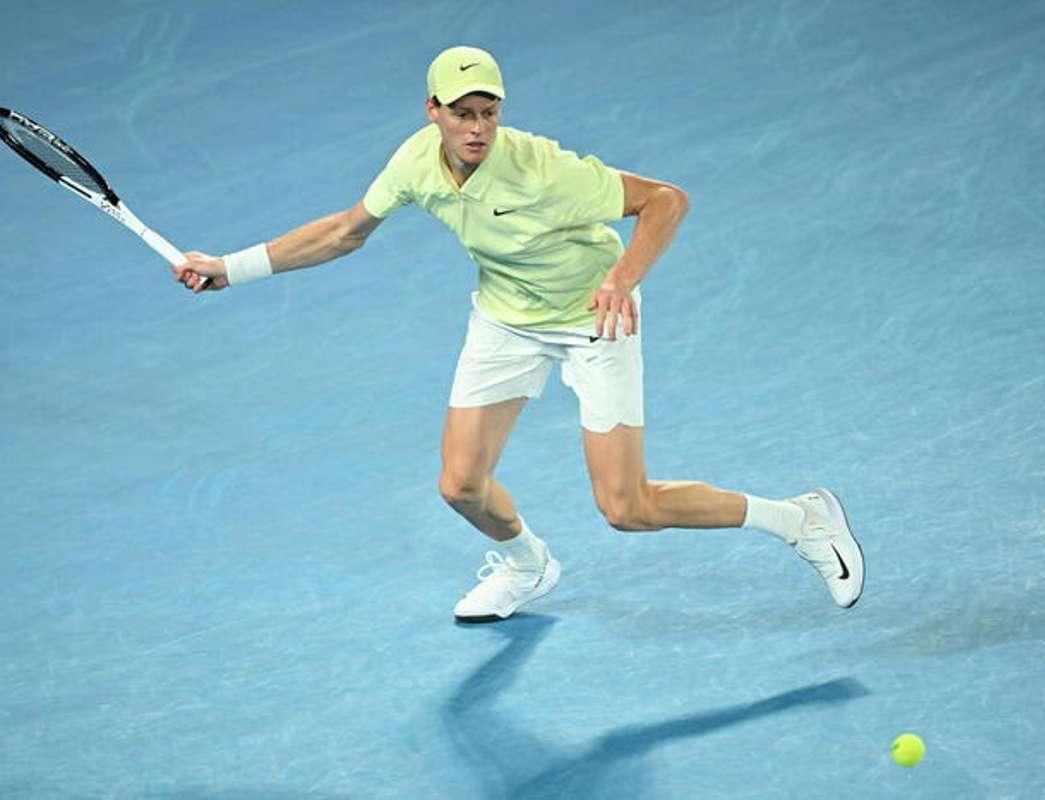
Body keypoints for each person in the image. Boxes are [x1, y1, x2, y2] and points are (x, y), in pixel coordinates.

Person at [172, 46, 865, 622]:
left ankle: (799, 519)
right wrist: (232, 269)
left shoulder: (543, 170)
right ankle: (527, 566)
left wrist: (621, 277)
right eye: (463, 114)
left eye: (489, 113)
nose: (477, 128)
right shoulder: (417, 160)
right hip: (505, 318)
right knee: (461, 485)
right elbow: (346, 231)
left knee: (628, 508)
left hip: (594, 319)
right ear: (433, 112)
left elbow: (665, 200)